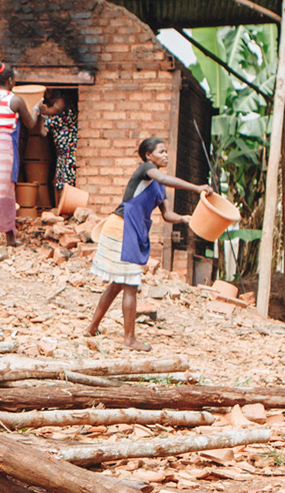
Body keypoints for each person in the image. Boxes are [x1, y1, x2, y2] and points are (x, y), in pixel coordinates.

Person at [86, 137, 211, 350]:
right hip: (122, 228)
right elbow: (165, 179)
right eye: (161, 151)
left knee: (118, 283)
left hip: (131, 230)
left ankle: (92, 328)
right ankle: (129, 340)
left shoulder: (160, 188)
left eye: (166, 151)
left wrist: (183, 218)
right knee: (130, 285)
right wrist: (196, 187)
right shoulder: (146, 170)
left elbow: (168, 214)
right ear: (148, 155)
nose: (166, 155)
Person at [0, 61, 36, 259]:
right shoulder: (15, 100)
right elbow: (30, 123)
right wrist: (37, 109)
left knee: (8, 191)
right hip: (2, 149)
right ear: (10, 80)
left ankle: (10, 235)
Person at [38, 88, 80, 205]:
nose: (48, 92)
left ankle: (68, 208)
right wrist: (41, 115)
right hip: (61, 153)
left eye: (49, 89)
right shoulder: (47, 111)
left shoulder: (62, 99)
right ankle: (60, 209)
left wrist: (42, 110)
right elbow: (43, 132)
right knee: (58, 182)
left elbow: (56, 110)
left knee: (67, 181)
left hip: (70, 149)